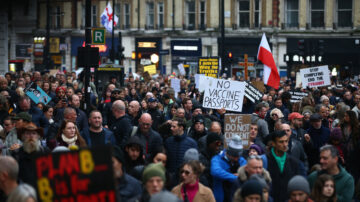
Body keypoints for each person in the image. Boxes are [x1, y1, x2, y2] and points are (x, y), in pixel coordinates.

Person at [266, 130, 304, 202]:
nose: (285, 144)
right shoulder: (265, 160)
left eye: (286, 141)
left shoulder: (293, 162)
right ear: (273, 143)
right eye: (281, 142)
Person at [211, 136, 247, 202]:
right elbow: (215, 171)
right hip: (221, 198)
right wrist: (235, 177)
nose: (237, 159)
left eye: (238, 157)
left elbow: (246, 171)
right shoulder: (217, 159)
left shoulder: (241, 160)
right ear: (228, 153)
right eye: (234, 156)